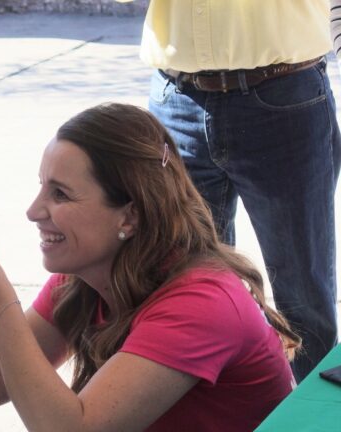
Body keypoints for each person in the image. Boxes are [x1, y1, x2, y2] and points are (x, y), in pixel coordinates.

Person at [0, 103, 301, 431]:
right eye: (41, 185)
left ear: (129, 216)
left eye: (60, 193)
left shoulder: (202, 302)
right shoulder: (88, 273)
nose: (33, 211)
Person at [132, 0, 339, 381]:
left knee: (303, 296)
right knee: (183, 286)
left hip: (282, 94)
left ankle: (315, 420)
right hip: (176, 100)